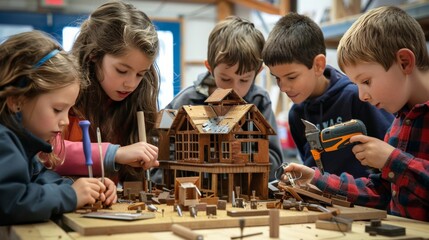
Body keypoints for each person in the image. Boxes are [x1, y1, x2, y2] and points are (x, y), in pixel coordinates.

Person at [282, 6, 429, 221]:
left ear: (404, 62)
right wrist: (317, 179)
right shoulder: (399, 123)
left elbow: (397, 167)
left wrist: (391, 159)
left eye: (366, 81)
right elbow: (380, 192)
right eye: (356, 84)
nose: (362, 96)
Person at [0, 30, 117, 225]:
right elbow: (10, 202)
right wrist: (70, 195)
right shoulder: (4, 142)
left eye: (68, 110)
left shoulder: (21, 143)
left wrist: (84, 187)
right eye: (57, 109)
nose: (64, 121)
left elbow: (39, 177)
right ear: (16, 101)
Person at [261, 12, 393, 178]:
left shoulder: (357, 98)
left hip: (362, 199)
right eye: (277, 79)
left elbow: (391, 154)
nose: (283, 87)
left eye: (291, 77)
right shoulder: (296, 115)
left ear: (318, 65)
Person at [164, 16, 283, 181]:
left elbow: (275, 161)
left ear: (258, 72)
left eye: (244, 80)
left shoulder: (259, 101)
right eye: (226, 79)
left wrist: (245, 156)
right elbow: (161, 152)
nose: (234, 89)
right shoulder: (186, 101)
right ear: (210, 68)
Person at [54, 1, 160, 183]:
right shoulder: (62, 92)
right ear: (94, 54)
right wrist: (115, 153)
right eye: (121, 70)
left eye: (141, 74)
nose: (131, 84)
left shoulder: (135, 103)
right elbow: (48, 152)